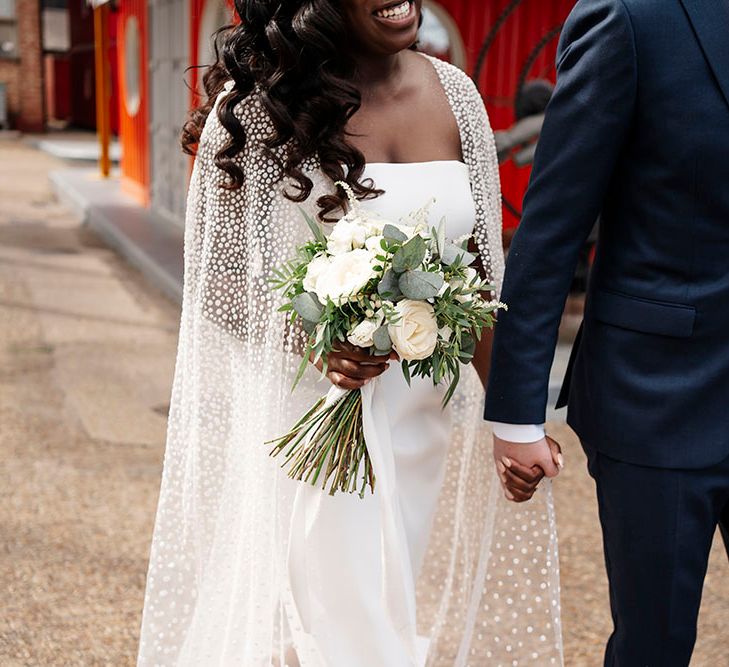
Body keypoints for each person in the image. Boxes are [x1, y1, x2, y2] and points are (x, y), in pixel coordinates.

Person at [137, 1, 562, 665]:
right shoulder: (257, 108)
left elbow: (481, 273)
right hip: (314, 419)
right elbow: (219, 290)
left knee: (380, 607)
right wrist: (311, 337)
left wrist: (514, 422)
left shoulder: (455, 95)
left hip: (418, 421)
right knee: (351, 624)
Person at [485, 0, 729, 664]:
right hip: (660, 394)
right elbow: (551, 227)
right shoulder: (628, 17)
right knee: (654, 643)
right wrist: (515, 412)